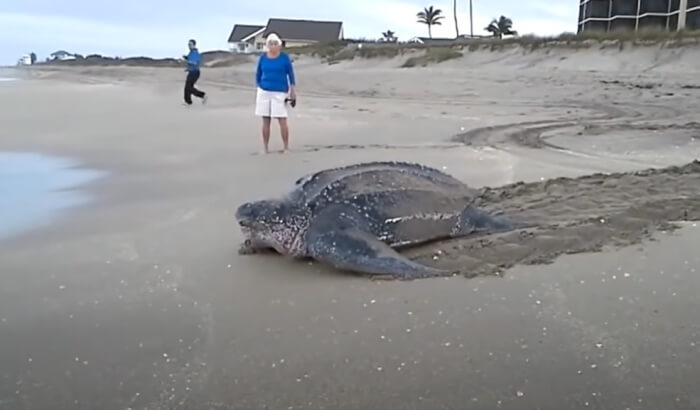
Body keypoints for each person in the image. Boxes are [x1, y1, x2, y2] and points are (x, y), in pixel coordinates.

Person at [254, 33, 297, 154]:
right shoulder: (263, 57)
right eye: (270, 44)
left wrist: (292, 90)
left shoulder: (284, 58)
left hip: (280, 91)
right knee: (265, 120)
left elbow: (291, 74)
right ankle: (265, 147)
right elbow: (258, 73)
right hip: (264, 91)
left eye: (275, 43)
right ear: (267, 45)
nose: (272, 46)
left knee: (282, 119)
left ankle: (286, 147)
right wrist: (259, 85)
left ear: (279, 45)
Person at [183, 39, 207, 106]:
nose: (189, 46)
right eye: (188, 45)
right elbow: (191, 61)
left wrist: (188, 61)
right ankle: (188, 102)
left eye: (190, 44)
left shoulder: (195, 53)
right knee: (187, 88)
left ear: (194, 45)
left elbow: (195, 63)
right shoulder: (191, 53)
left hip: (195, 73)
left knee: (189, 87)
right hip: (191, 72)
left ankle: (202, 95)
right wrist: (187, 59)